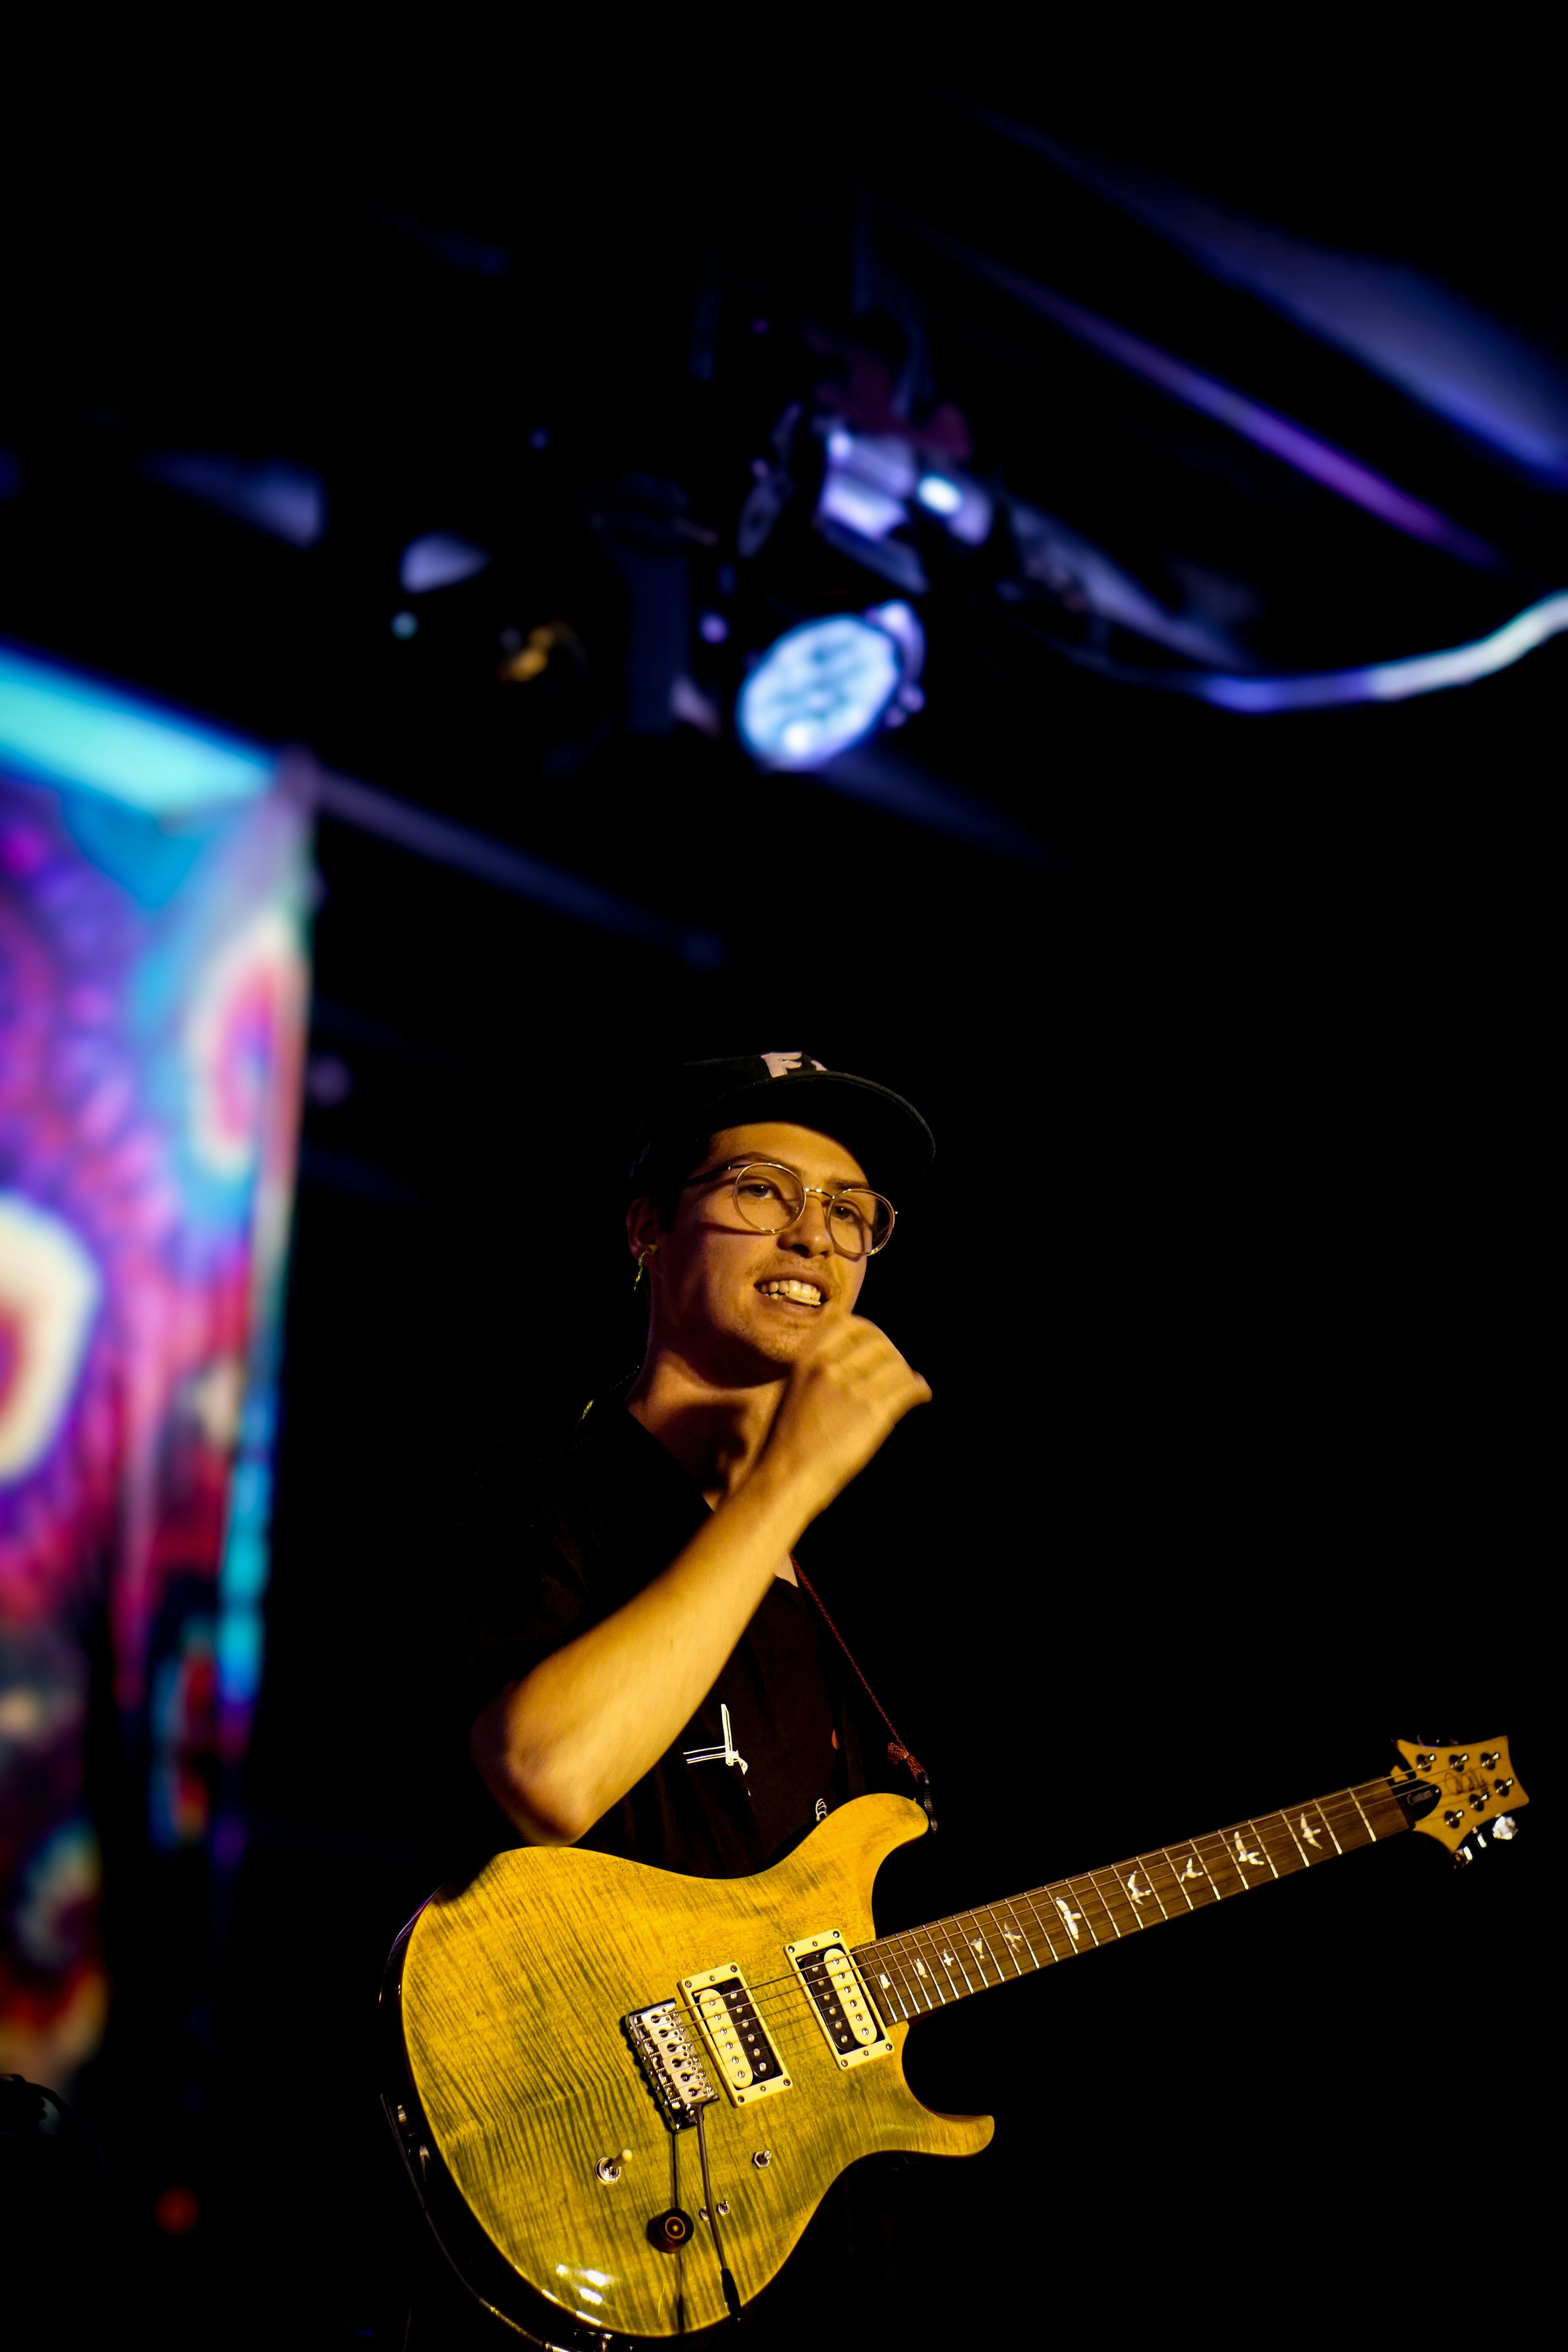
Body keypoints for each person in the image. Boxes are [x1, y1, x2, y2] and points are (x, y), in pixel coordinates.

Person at [412, 1052, 939, 2341]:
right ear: (647, 1230)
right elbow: (548, 1772)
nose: (815, 1234)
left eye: (852, 1210)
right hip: (575, 2200)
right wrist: (784, 1484)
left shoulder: (850, 1583)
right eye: (762, 1191)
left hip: (804, 2235)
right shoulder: (541, 1484)